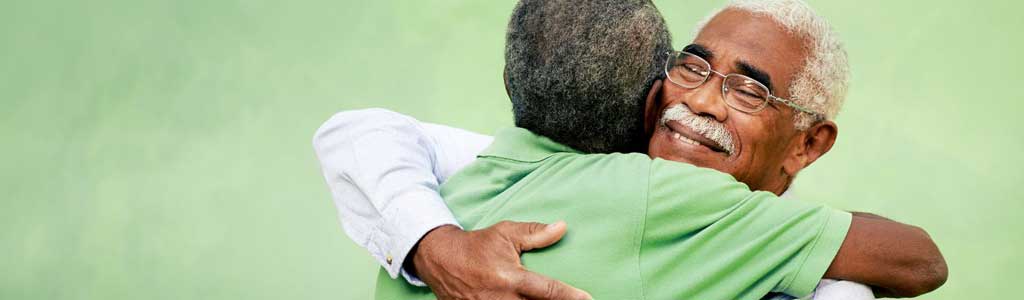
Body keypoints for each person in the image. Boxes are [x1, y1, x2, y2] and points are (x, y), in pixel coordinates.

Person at [314, 0, 947, 299]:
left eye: (749, 90)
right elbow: (361, 133)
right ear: (651, 88)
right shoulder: (639, 192)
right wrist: (436, 246)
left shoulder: (479, 180)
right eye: (691, 67)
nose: (700, 101)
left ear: (809, 143)